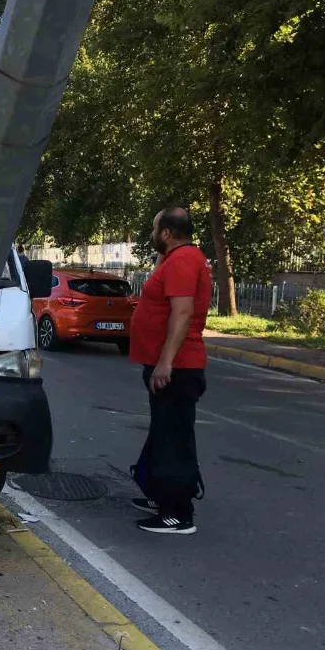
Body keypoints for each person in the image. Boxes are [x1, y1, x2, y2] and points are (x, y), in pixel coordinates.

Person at [128, 207, 212, 535]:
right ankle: (159, 493)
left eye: (153, 228)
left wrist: (165, 362)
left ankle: (177, 513)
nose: (151, 234)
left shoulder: (183, 260)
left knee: (173, 438)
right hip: (170, 364)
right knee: (164, 433)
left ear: (165, 233)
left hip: (177, 367)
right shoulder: (175, 259)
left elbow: (182, 313)